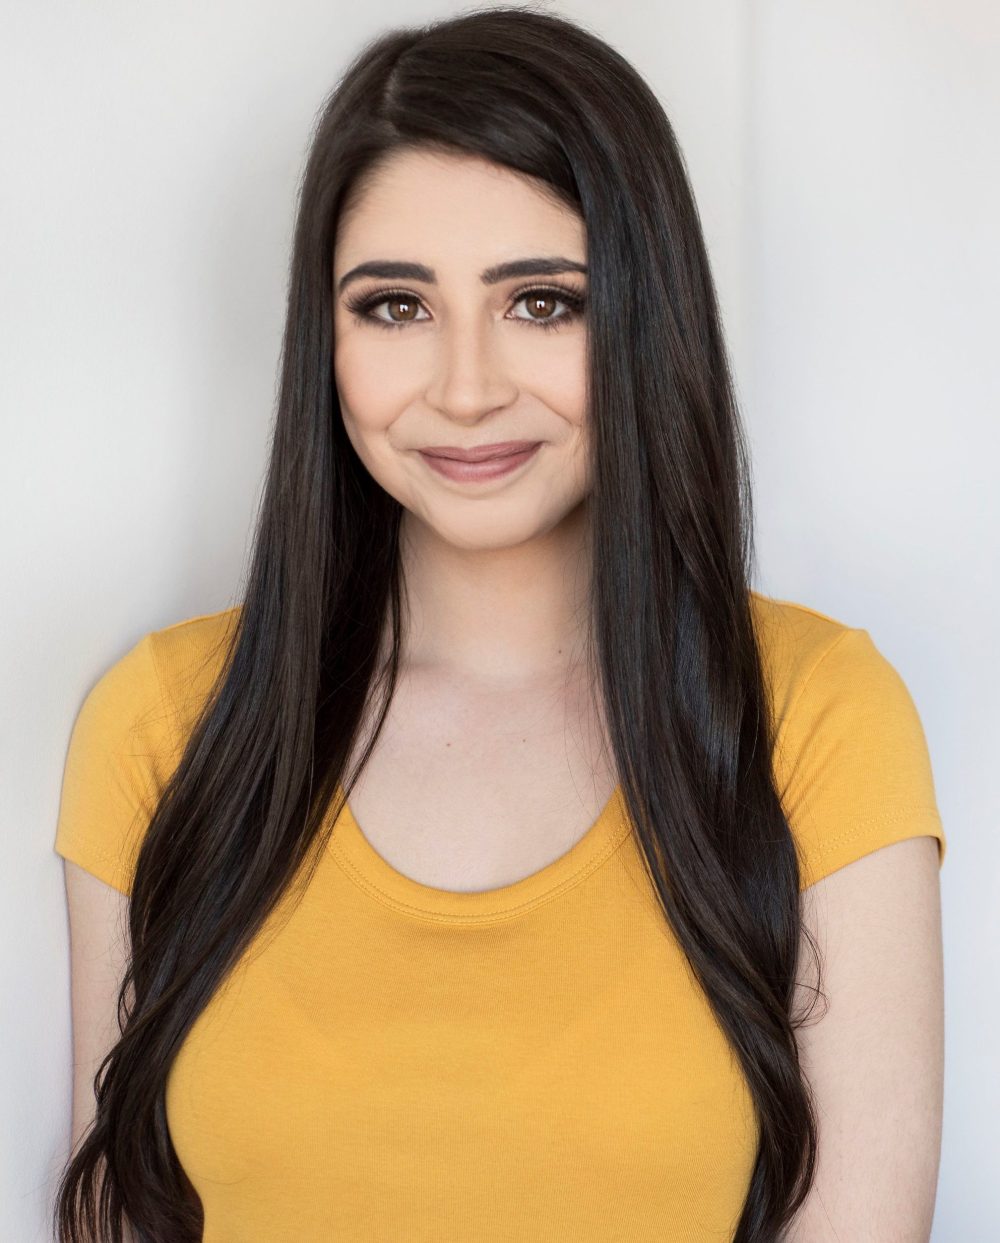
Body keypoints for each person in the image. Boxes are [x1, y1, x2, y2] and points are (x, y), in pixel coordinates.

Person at [51, 7, 947, 1241]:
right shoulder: (163, 723)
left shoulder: (819, 715)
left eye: (540, 303)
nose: (465, 388)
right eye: (395, 307)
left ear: (644, 317)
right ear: (326, 339)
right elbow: (116, 1209)